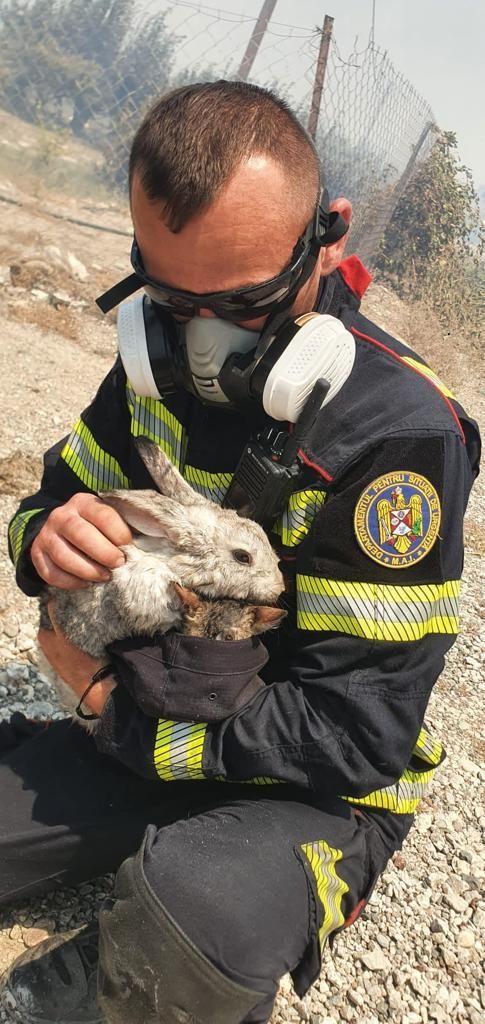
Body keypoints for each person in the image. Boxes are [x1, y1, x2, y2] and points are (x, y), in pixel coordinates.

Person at [2, 81, 480, 1024]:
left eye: (246, 301)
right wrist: (46, 542)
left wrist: (110, 711)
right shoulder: (157, 370)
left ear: (327, 237)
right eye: (170, 297)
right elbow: (44, 504)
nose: (202, 338)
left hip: (307, 786)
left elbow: (353, 733)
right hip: (149, 725)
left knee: (201, 918)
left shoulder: (397, 441)